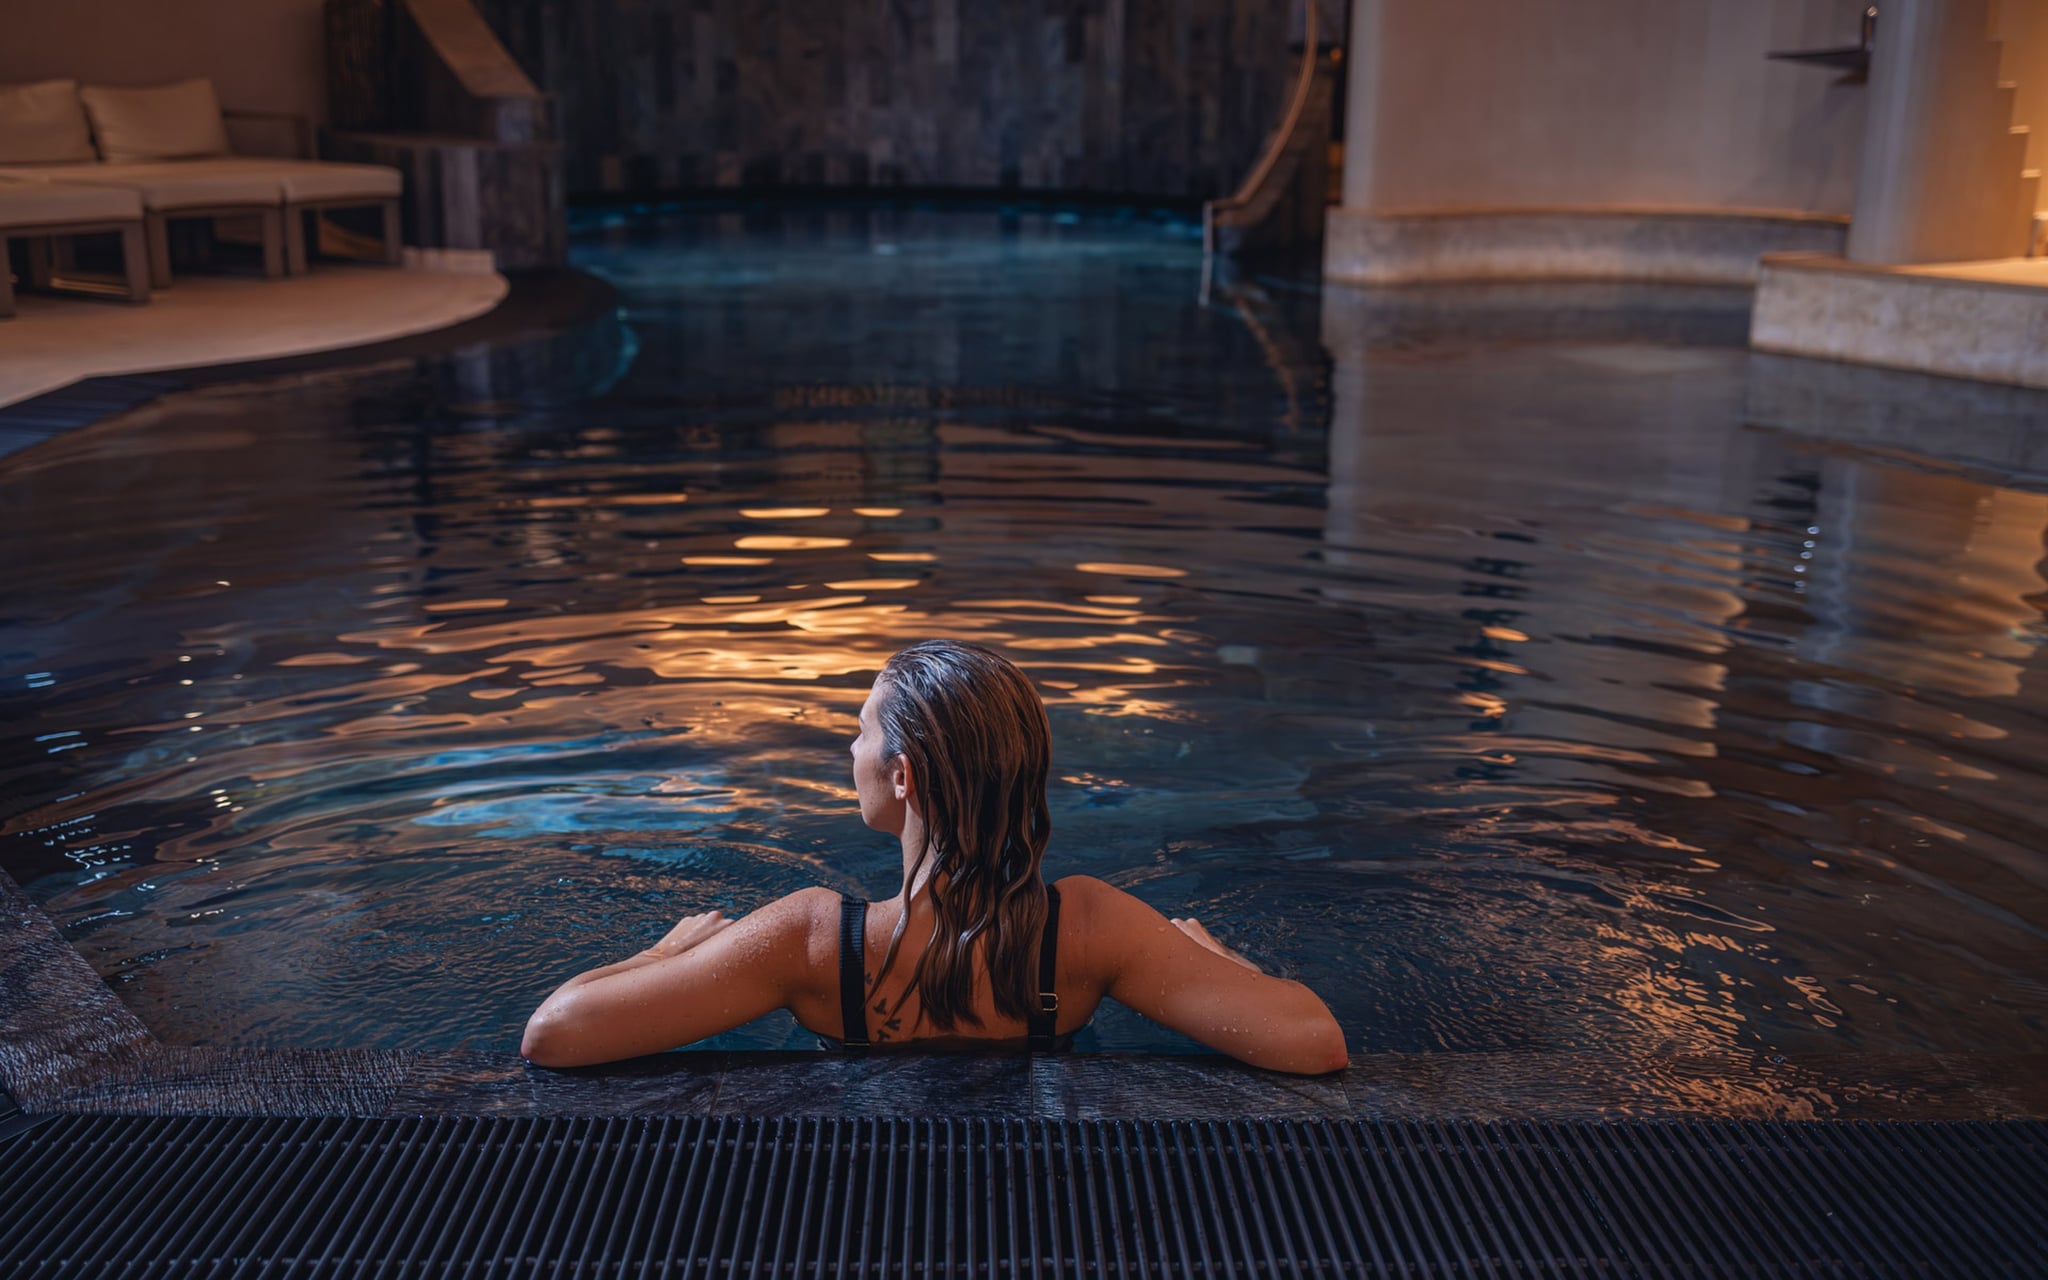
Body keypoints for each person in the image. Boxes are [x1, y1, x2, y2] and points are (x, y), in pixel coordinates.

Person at [521, 639, 1348, 1075]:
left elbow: (554, 1035)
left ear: (904, 775)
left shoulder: (812, 939)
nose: (849, 750)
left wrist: (666, 953)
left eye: (859, 730)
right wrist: (1218, 958)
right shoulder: (1093, 928)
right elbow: (1315, 1042)